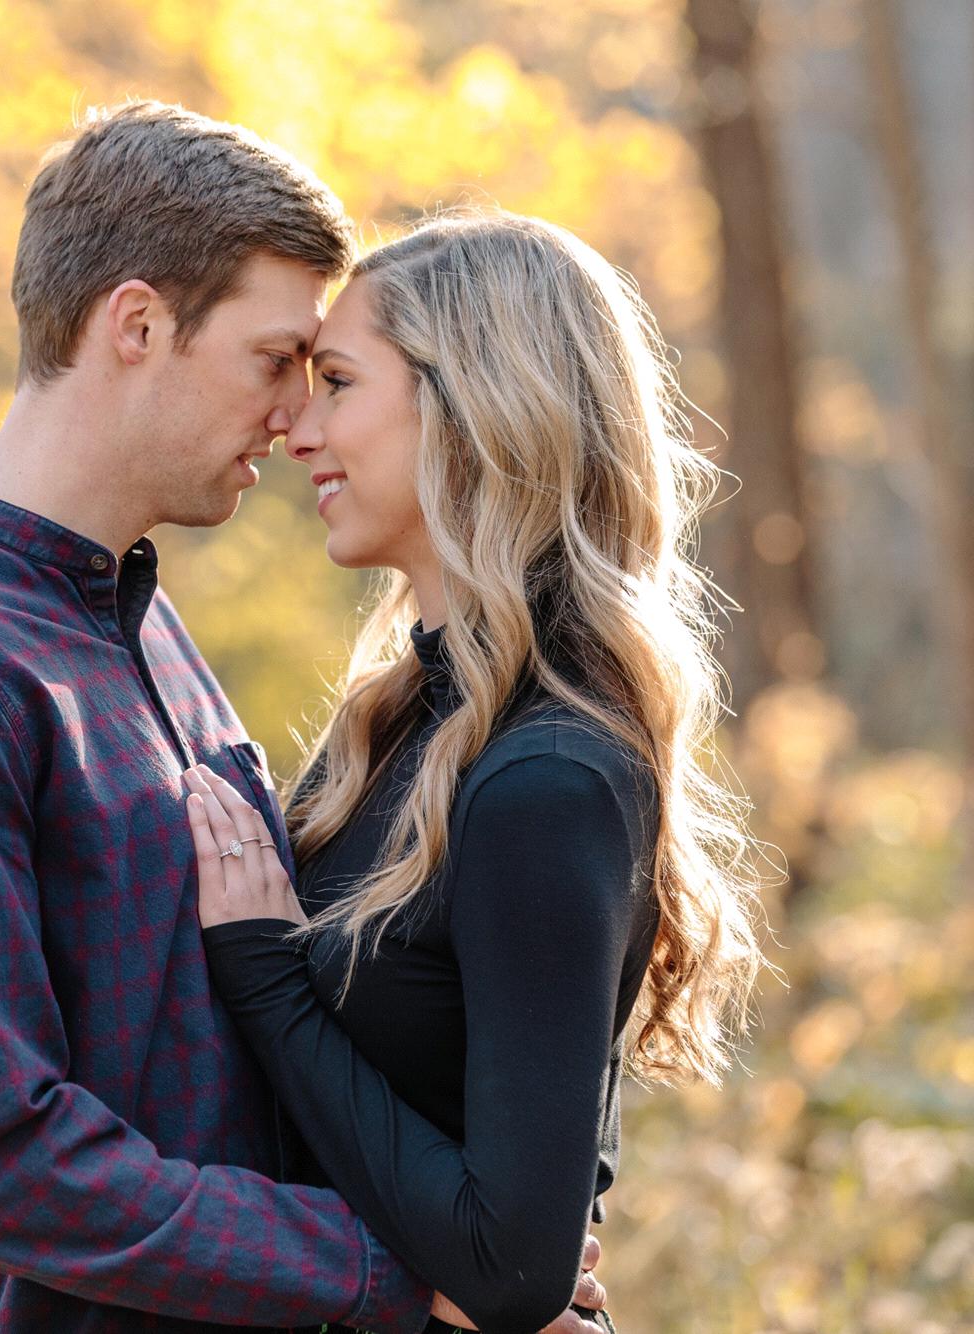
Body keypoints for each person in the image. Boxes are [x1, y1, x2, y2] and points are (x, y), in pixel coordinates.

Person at [0, 105, 611, 1332]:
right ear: (137, 325)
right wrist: (388, 1267)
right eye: (275, 359)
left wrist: (479, 1225)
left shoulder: (139, 622)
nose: (292, 416)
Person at [185, 212, 766, 1334]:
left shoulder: (547, 780)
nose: (296, 426)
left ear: (471, 411)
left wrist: (265, 974)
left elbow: (509, 1269)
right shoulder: (389, 728)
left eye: (337, 382)